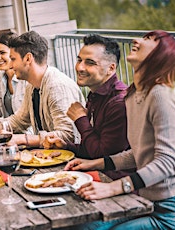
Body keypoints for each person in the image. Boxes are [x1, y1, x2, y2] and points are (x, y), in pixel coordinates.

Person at [65, 30, 175, 229]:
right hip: (148, 202)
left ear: (162, 56)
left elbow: (167, 162)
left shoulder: (160, 95)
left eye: (149, 40)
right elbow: (139, 154)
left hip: (172, 211)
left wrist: (113, 188)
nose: (136, 40)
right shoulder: (133, 95)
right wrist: (95, 163)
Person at [43, 34, 133, 180]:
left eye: (90, 63)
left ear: (111, 68)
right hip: (96, 175)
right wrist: (66, 146)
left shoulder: (119, 103)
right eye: (79, 60)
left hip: (117, 184)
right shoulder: (95, 94)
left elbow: (102, 156)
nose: (80, 67)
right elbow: (91, 148)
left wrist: (80, 119)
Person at [0, 31, 85, 147]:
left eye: (13, 59)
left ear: (28, 59)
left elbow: (68, 135)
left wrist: (22, 139)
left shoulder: (57, 86)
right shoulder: (31, 86)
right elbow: (19, 120)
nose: (11, 66)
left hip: (73, 159)